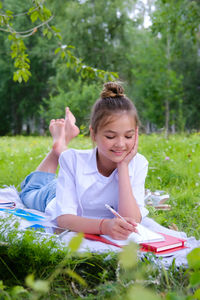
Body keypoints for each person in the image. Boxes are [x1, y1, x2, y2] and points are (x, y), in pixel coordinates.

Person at [20, 82, 149, 240]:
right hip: (56, 194)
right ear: (93, 134)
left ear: (136, 133)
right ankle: (57, 149)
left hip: (78, 186)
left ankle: (60, 145)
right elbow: (64, 219)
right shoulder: (72, 160)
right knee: (28, 193)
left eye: (128, 136)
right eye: (110, 136)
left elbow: (132, 221)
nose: (121, 144)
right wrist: (104, 226)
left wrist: (122, 166)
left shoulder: (139, 163)